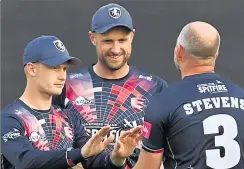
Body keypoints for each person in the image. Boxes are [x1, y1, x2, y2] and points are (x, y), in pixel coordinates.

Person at [52, 3, 167, 168]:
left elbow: (169, 151)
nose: (116, 49)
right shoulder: (66, 86)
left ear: (132, 37)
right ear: (93, 38)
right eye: (108, 41)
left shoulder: (155, 87)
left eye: (122, 40)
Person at [1, 35, 143, 169]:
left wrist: (117, 157)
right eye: (55, 68)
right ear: (31, 69)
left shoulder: (69, 117)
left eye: (64, 69)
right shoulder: (10, 119)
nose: (62, 76)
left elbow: (93, 161)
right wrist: (79, 154)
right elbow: (26, 160)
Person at [133, 21, 244, 169]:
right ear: (216, 54)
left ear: (179, 51)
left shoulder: (163, 102)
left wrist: (118, 160)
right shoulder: (241, 95)